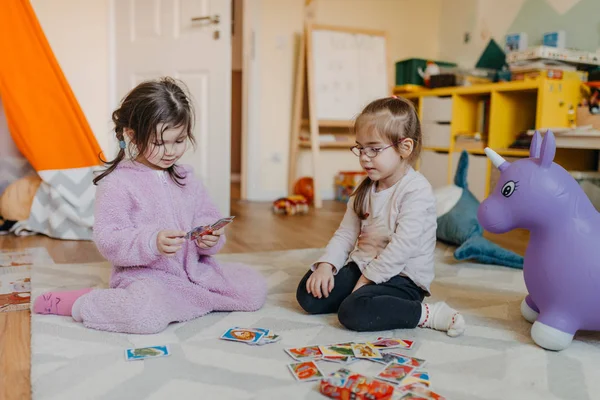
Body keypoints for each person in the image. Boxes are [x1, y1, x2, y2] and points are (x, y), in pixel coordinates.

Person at [33, 77, 267, 334]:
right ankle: (81, 302)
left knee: (252, 291)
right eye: (159, 143)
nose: (170, 151)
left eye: (178, 141)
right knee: (143, 316)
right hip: (147, 277)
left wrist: (208, 237)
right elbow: (109, 239)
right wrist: (151, 242)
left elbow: (206, 215)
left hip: (193, 271)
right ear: (133, 136)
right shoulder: (118, 183)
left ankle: (186, 299)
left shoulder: (186, 177)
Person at [296, 96, 465, 337]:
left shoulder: (416, 190)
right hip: (364, 265)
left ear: (404, 148)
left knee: (352, 312)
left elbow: (402, 247)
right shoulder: (364, 188)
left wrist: (366, 281)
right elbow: (345, 234)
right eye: (360, 148)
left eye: (374, 149)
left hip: (403, 277)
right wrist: (326, 265)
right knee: (308, 293)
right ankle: (362, 297)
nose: (364, 157)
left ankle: (425, 314)